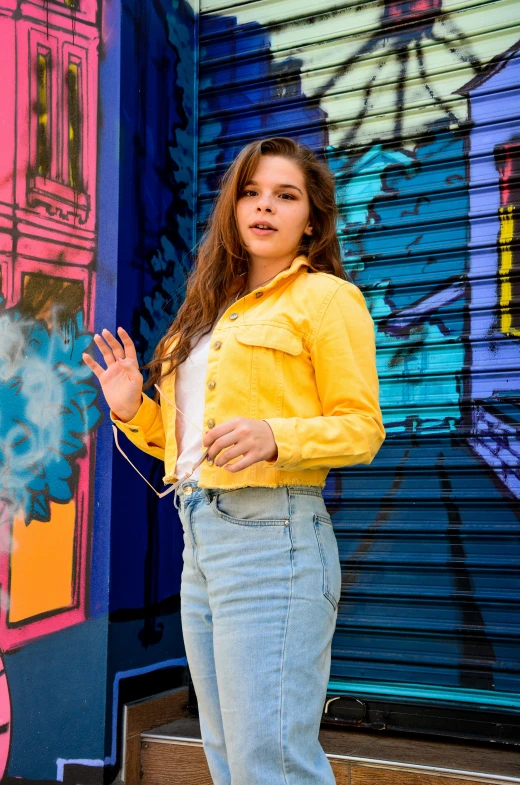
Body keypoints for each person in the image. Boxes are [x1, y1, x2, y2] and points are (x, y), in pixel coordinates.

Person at [83, 136, 386, 785]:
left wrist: (277, 436)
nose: (265, 206)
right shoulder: (204, 312)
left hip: (273, 537)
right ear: (231, 208)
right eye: (251, 191)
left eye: (286, 194)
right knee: (227, 756)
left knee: (270, 762)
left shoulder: (326, 300)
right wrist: (133, 405)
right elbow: (185, 443)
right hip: (201, 539)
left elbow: (361, 429)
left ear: (312, 217)